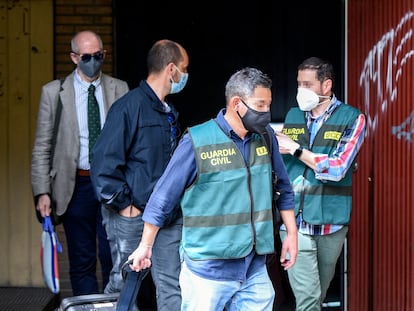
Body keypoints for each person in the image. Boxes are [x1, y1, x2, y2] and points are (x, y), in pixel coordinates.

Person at [127, 67, 298, 311]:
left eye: (268, 105)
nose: (266, 113)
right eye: (260, 106)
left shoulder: (266, 137)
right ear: (237, 103)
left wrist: (291, 234)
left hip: (254, 269)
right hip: (207, 273)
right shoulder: (197, 141)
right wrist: (145, 246)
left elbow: (284, 188)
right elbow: (163, 197)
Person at [90, 39, 189, 310]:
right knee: (124, 283)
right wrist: (125, 206)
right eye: (184, 68)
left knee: (171, 284)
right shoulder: (129, 107)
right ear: (171, 69)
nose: (186, 75)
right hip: (131, 216)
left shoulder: (168, 112)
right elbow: (102, 164)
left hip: (166, 215)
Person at [31, 30, 129, 295]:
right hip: (76, 186)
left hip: (111, 184)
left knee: (115, 258)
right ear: (74, 57)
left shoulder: (120, 89)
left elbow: (129, 142)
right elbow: (42, 145)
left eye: (99, 55)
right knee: (82, 259)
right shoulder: (54, 92)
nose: (94, 61)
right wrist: (42, 191)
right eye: (87, 57)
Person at [276, 56, 366, 311]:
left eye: (307, 84)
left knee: (318, 296)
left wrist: (296, 150)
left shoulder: (353, 118)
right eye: (298, 84)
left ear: (326, 86)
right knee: (307, 300)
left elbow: (337, 169)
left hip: (331, 223)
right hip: (295, 222)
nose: (300, 90)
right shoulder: (294, 115)